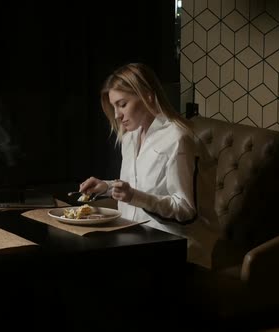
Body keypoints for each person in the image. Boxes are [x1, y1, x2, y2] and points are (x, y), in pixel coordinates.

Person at [78, 63, 217, 269]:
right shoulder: (130, 136)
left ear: (148, 96)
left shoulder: (178, 139)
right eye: (114, 106)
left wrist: (134, 197)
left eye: (122, 104)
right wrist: (106, 187)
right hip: (134, 240)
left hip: (176, 248)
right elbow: (142, 185)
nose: (116, 115)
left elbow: (186, 211)